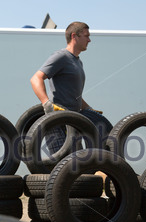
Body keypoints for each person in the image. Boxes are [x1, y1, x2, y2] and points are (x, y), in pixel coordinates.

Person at [30, 21, 102, 154]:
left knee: (77, 166)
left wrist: (89, 109)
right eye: (86, 36)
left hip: (74, 122)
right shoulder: (61, 56)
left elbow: (73, 94)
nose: (89, 40)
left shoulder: (78, 61)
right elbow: (36, 78)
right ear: (74, 36)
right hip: (57, 121)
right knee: (61, 166)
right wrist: (46, 104)